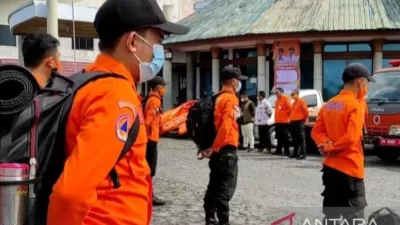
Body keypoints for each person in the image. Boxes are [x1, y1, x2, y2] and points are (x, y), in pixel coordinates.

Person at [46, 0, 189, 224]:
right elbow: (71, 193)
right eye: (158, 42)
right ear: (133, 41)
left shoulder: (87, 82)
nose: (159, 52)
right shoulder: (113, 95)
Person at [311, 63, 373, 225]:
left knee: (332, 216)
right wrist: (332, 148)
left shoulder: (329, 103)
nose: (367, 87)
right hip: (350, 169)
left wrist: (325, 145)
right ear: (360, 82)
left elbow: (316, 131)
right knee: (354, 217)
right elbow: (352, 137)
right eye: (366, 82)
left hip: (331, 169)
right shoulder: (355, 105)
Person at [202, 67, 247, 225]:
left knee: (214, 185)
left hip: (216, 150)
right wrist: (215, 147)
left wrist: (210, 148)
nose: (240, 83)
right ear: (234, 81)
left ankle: (210, 217)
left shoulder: (217, 98)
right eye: (239, 80)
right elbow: (226, 126)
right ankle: (223, 221)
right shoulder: (231, 99)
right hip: (226, 149)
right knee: (224, 189)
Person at [144, 76, 168, 206]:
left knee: (149, 169)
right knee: (150, 169)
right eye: (164, 86)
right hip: (150, 139)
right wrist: (146, 135)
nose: (165, 89)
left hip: (150, 138)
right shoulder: (155, 101)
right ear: (159, 87)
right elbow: (148, 119)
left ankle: (148, 194)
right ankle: (149, 195)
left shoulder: (151, 99)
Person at [289, 89, 308, 159]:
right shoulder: (294, 103)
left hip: (299, 122)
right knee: (295, 138)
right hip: (293, 122)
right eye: (291, 94)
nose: (292, 96)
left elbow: (306, 112)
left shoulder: (301, 101)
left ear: (297, 94)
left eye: (293, 94)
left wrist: (303, 120)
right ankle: (295, 153)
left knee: (301, 138)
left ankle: (303, 154)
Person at [274, 87, 291, 156]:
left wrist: (286, 116)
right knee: (279, 136)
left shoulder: (286, 99)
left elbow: (289, 109)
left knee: (285, 137)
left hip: (284, 122)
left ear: (281, 92)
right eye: (275, 93)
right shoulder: (277, 100)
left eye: (277, 92)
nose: (276, 94)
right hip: (278, 121)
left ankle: (287, 151)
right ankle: (279, 150)